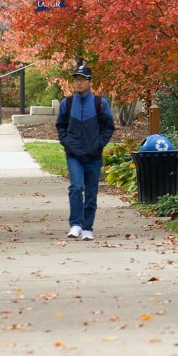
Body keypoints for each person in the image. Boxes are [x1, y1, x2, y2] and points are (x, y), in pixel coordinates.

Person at [56, 64, 115, 241]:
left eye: (82, 79)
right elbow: (60, 126)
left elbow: (109, 127)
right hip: (74, 154)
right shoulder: (67, 103)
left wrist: (99, 144)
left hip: (93, 155)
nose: (79, 82)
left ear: (90, 82)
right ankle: (76, 224)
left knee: (91, 192)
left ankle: (88, 227)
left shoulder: (100, 103)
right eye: (76, 79)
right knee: (76, 187)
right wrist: (67, 143)